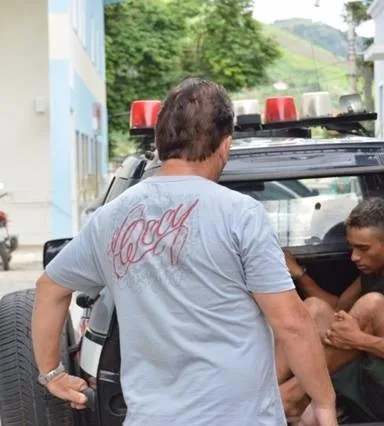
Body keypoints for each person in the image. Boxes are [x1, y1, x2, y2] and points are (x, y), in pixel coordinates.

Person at [31, 78, 337, 426]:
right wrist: (324, 403)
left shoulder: (111, 218)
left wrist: (51, 373)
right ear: (225, 145)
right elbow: (291, 324)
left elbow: (49, 287)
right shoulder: (240, 214)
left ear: (160, 144)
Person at [278, 197, 384, 422]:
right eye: (352, 247)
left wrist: (360, 340)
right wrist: (298, 273)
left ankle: (290, 395)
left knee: (371, 305)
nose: (354, 257)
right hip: (373, 374)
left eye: (363, 248)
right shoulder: (373, 270)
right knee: (314, 309)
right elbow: (337, 307)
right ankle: (266, 390)